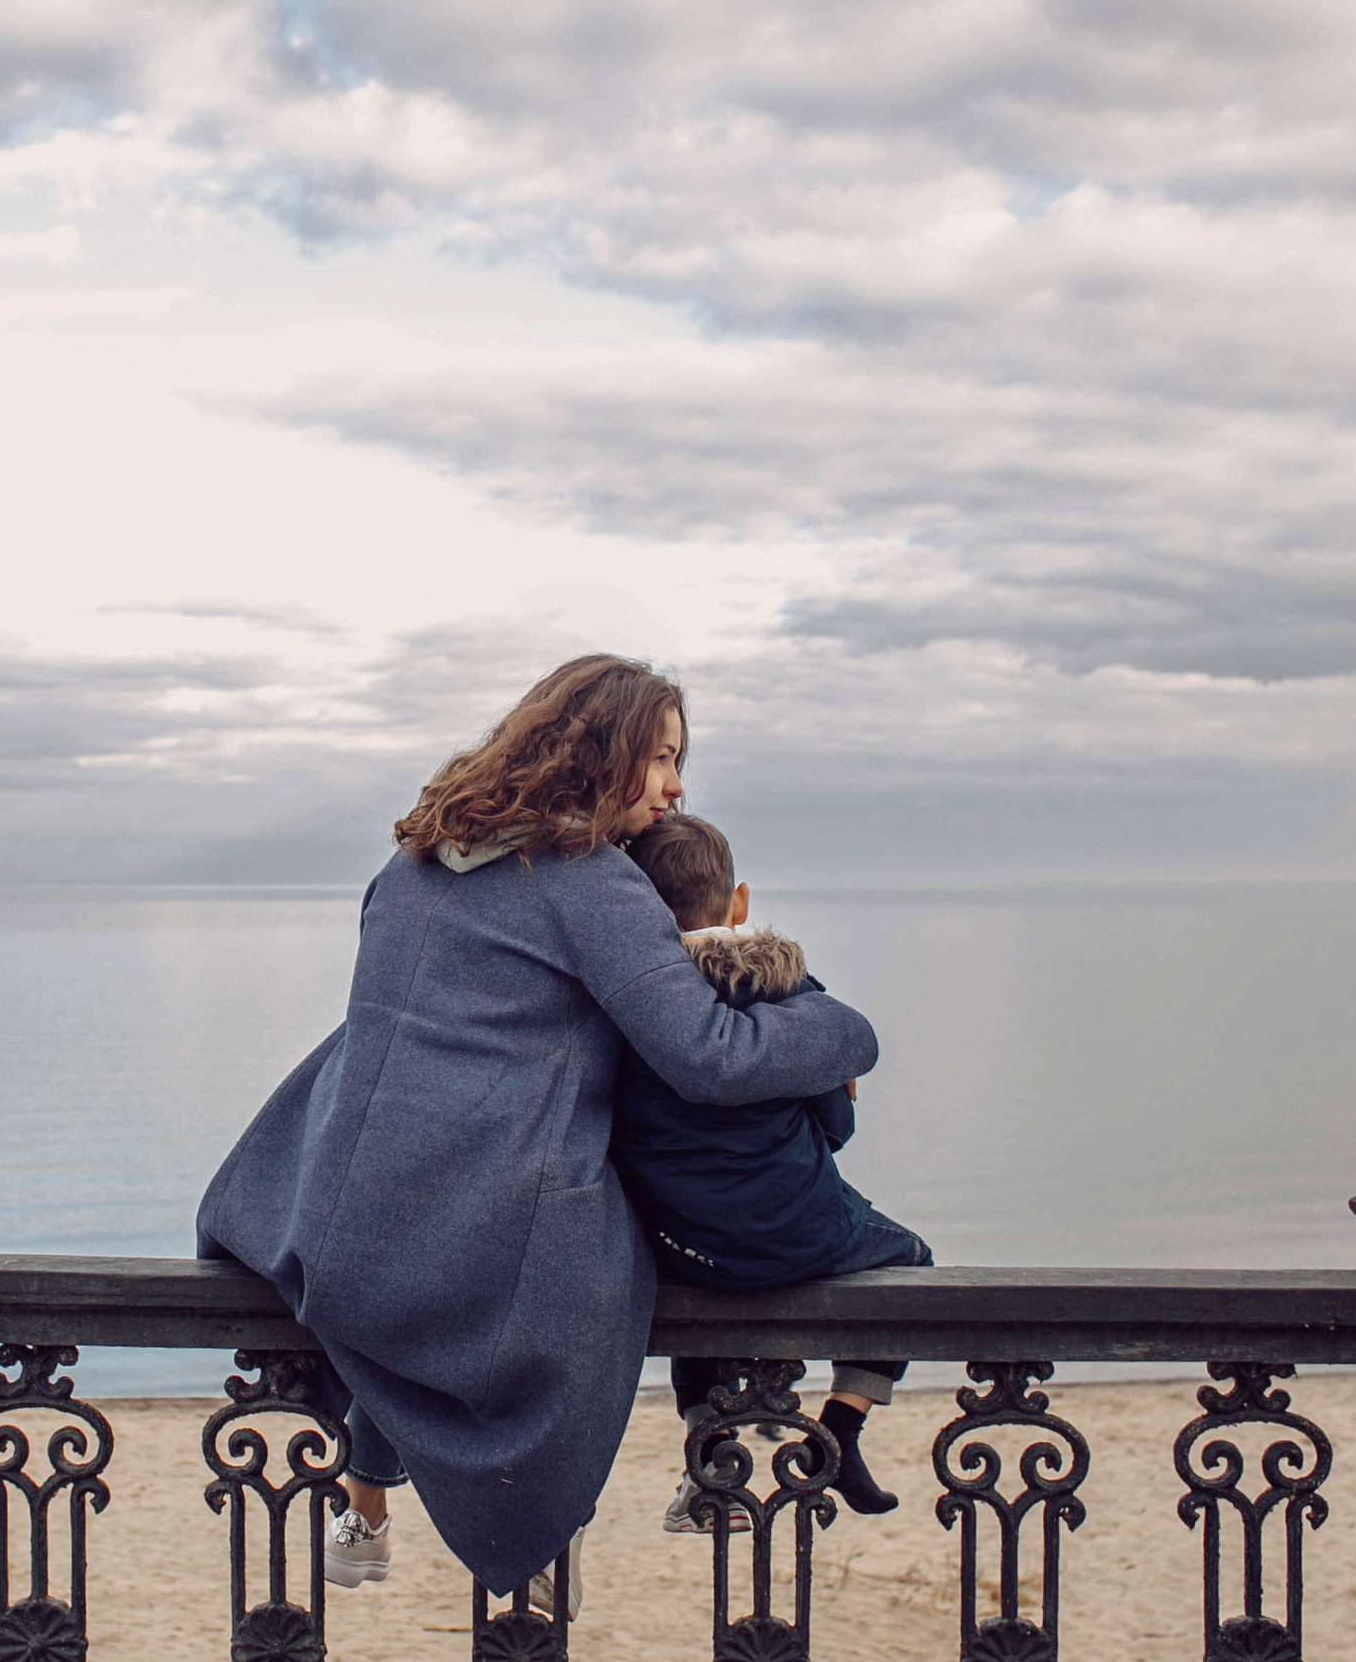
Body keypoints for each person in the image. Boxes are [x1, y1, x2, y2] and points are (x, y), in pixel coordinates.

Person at [195, 655, 879, 1617]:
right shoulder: (587, 877)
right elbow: (706, 1055)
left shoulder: (415, 860)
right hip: (474, 1233)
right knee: (607, 1268)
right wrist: (848, 1033)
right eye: (663, 758)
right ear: (605, 754)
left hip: (332, 1215)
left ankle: (377, 1507)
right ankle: (551, 1536)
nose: (677, 785)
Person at [610, 811, 933, 1530]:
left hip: (685, 1248)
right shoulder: (788, 993)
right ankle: (842, 1430)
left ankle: (711, 1451)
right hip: (803, 1235)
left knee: (692, 1295)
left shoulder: (632, 1013)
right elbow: (837, 1129)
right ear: (740, 903)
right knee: (914, 1262)